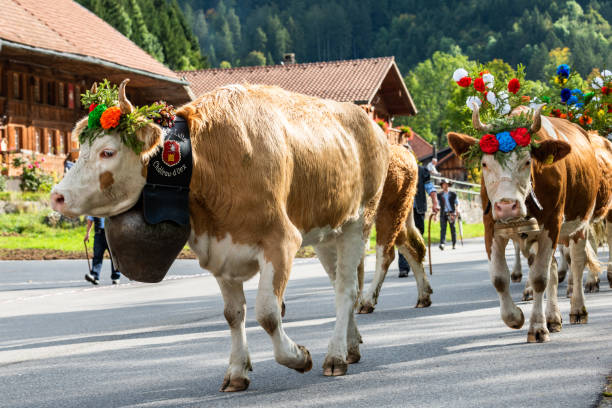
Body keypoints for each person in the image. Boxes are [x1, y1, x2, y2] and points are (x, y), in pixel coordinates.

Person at [398, 163, 439, 277]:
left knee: (418, 236)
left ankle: (417, 262)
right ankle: (404, 268)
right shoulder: (397, 169)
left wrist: (435, 202)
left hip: (418, 209)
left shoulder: (421, 171)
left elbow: (429, 187)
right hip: (403, 210)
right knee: (403, 237)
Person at [84, 216, 120, 285]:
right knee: (97, 256)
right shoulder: (94, 208)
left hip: (110, 234)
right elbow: (90, 219)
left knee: (114, 256)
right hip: (99, 234)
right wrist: (87, 233)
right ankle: (95, 276)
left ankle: (116, 277)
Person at [438, 179, 459, 250]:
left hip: (451, 213)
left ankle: (454, 243)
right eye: (443, 184)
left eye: (446, 184)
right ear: (442, 185)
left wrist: (457, 210)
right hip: (443, 214)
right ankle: (442, 243)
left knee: (453, 229)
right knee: (443, 229)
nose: (445, 185)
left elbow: (457, 203)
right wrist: (435, 213)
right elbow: (437, 204)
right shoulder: (439, 195)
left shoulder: (453, 194)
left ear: (448, 185)